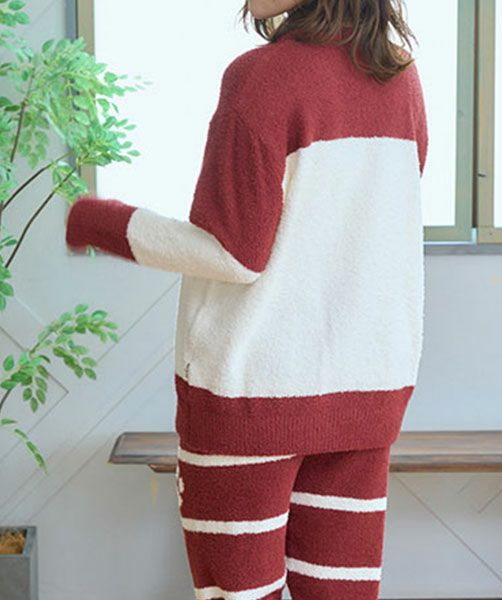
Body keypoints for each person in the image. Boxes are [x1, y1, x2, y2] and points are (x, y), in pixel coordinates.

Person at [65, 0, 428, 597]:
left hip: (253, 395)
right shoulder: (399, 76)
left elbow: (232, 252)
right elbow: (368, 226)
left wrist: (95, 221)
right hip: (367, 390)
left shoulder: (262, 78)